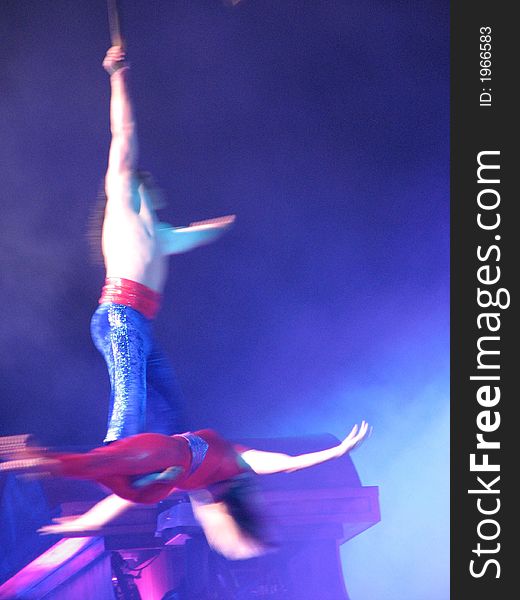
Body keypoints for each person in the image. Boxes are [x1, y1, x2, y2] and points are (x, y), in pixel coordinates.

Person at [93, 46, 235, 443]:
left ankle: (174, 467)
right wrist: (117, 76)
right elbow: (123, 132)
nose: (156, 187)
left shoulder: (163, 236)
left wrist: (226, 224)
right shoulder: (122, 195)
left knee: (169, 406)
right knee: (131, 397)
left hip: (139, 324)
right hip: (119, 315)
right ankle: (116, 453)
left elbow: (200, 234)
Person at [1, 422, 370, 560]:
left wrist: (81, 523)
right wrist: (334, 453)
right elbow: (287, 464)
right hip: (154, 454)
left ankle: (30, 458)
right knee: (95, 468)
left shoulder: (200, 489)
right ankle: (30, 457)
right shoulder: (238, 464)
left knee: (116, 480)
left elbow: (120, 501)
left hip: (155, 463)